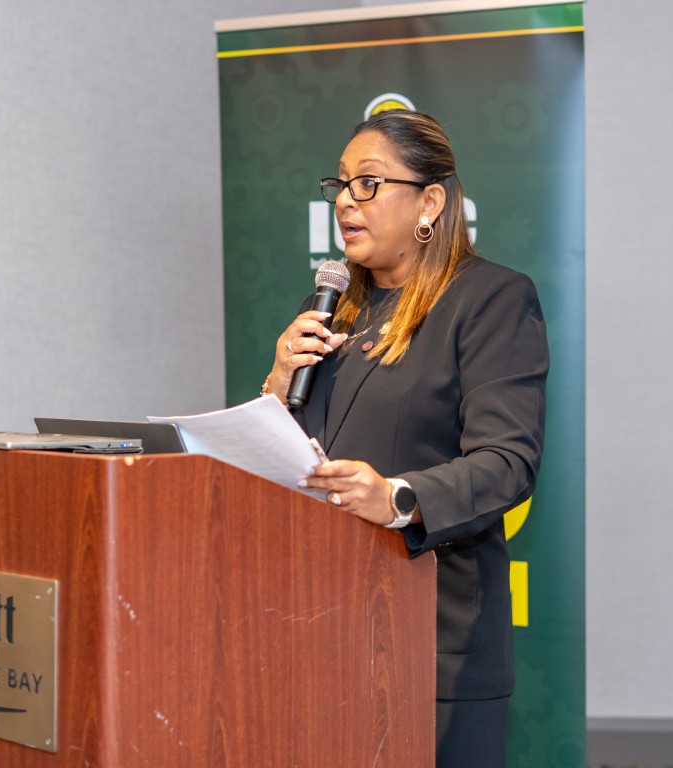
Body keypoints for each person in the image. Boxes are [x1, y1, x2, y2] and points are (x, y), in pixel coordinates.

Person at [263, 109, 549, 768]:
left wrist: (396, 498)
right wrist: (277, 384)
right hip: (319, 632)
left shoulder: (490, 300)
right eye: (339, 184)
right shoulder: (331, 311)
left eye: (367, 183)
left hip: (431, 643)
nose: (345, 201)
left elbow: (508, 463)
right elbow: (291, 458)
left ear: (430, 202)